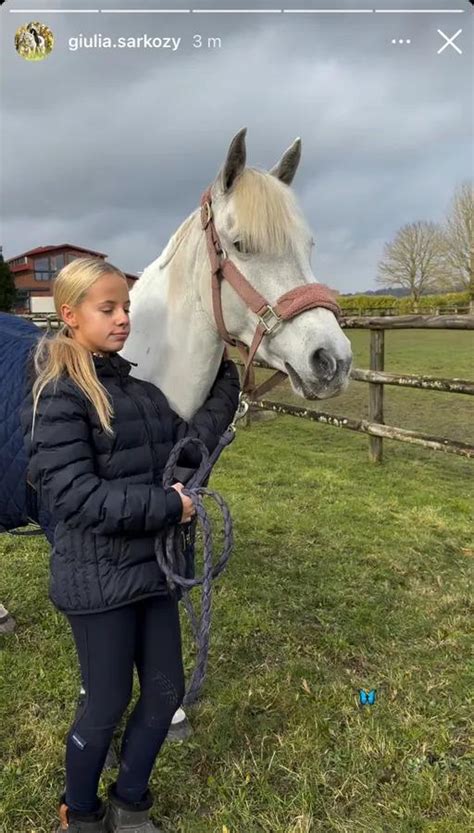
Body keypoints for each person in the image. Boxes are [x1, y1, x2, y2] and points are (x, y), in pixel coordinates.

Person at [20, 256, 241, 833]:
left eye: (126, 307)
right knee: (106, 701)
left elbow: (186, 448)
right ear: (70, 315)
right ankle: (80, 813)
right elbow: (75, 496)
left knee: (165, 692)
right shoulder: (61, 397)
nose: (123, 318)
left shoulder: (141, 393)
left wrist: (227, 380)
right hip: (98, 583)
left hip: (153, 574)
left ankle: (130, 803)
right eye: (108, 308)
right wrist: (168, 506)